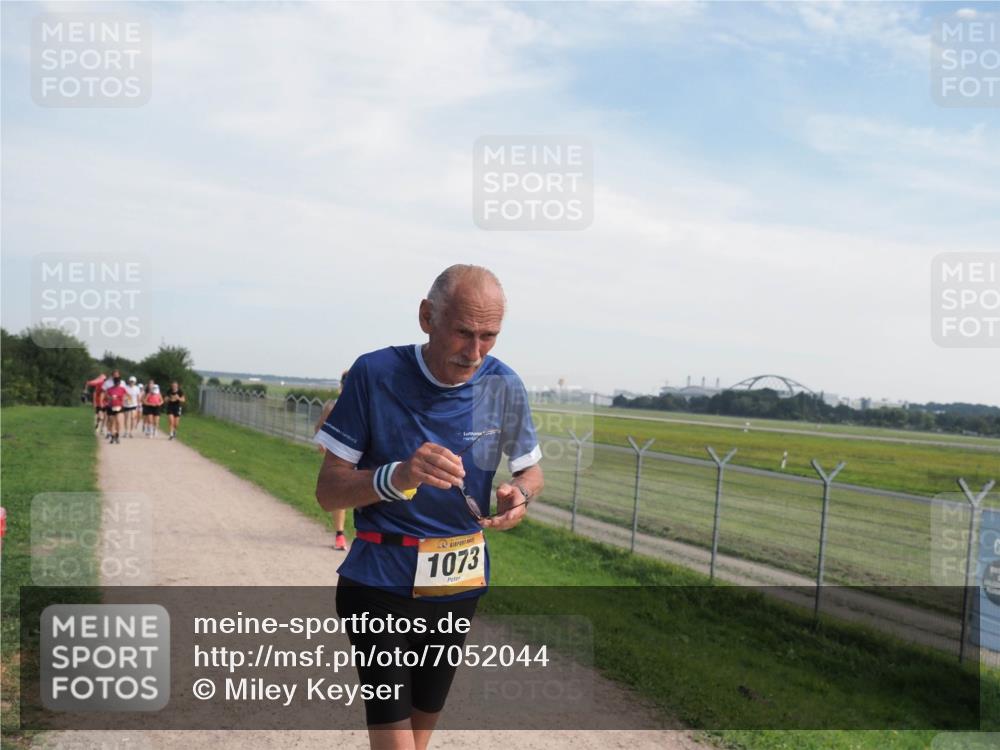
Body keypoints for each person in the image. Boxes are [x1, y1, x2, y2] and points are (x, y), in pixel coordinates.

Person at [314, 265, 543, 750]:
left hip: (457, 584)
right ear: (426, 317)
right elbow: (329, 491)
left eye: (489, 336)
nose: (475, 352)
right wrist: (399, 475)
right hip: (379, 583)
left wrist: (518, 495)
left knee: (418, 742)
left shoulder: (504, 385)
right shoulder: (374, 373)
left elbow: (531, 471)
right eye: (463, 332)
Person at [313, 370, 352, 550]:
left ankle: (366, 534)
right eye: (345, 385)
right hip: (339, 455)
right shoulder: (332, 405)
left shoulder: (365, 404)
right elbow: (319, 426)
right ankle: (340, 535)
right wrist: (322, 442)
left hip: (362, 455)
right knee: (341, 496)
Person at [105, 375, 128, 444]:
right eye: (116, 382)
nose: (117, 383)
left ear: (120, 382)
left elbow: (128, 397)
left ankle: (117, 435)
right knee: (112, 423)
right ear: (114, 382)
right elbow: (106, 397)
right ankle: (113, 437)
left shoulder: (122, 389)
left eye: (118, 382)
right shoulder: (109, 389)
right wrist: (110, 398)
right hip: (111, 407)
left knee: (118, 421)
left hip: (119, 407)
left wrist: (125, 399)